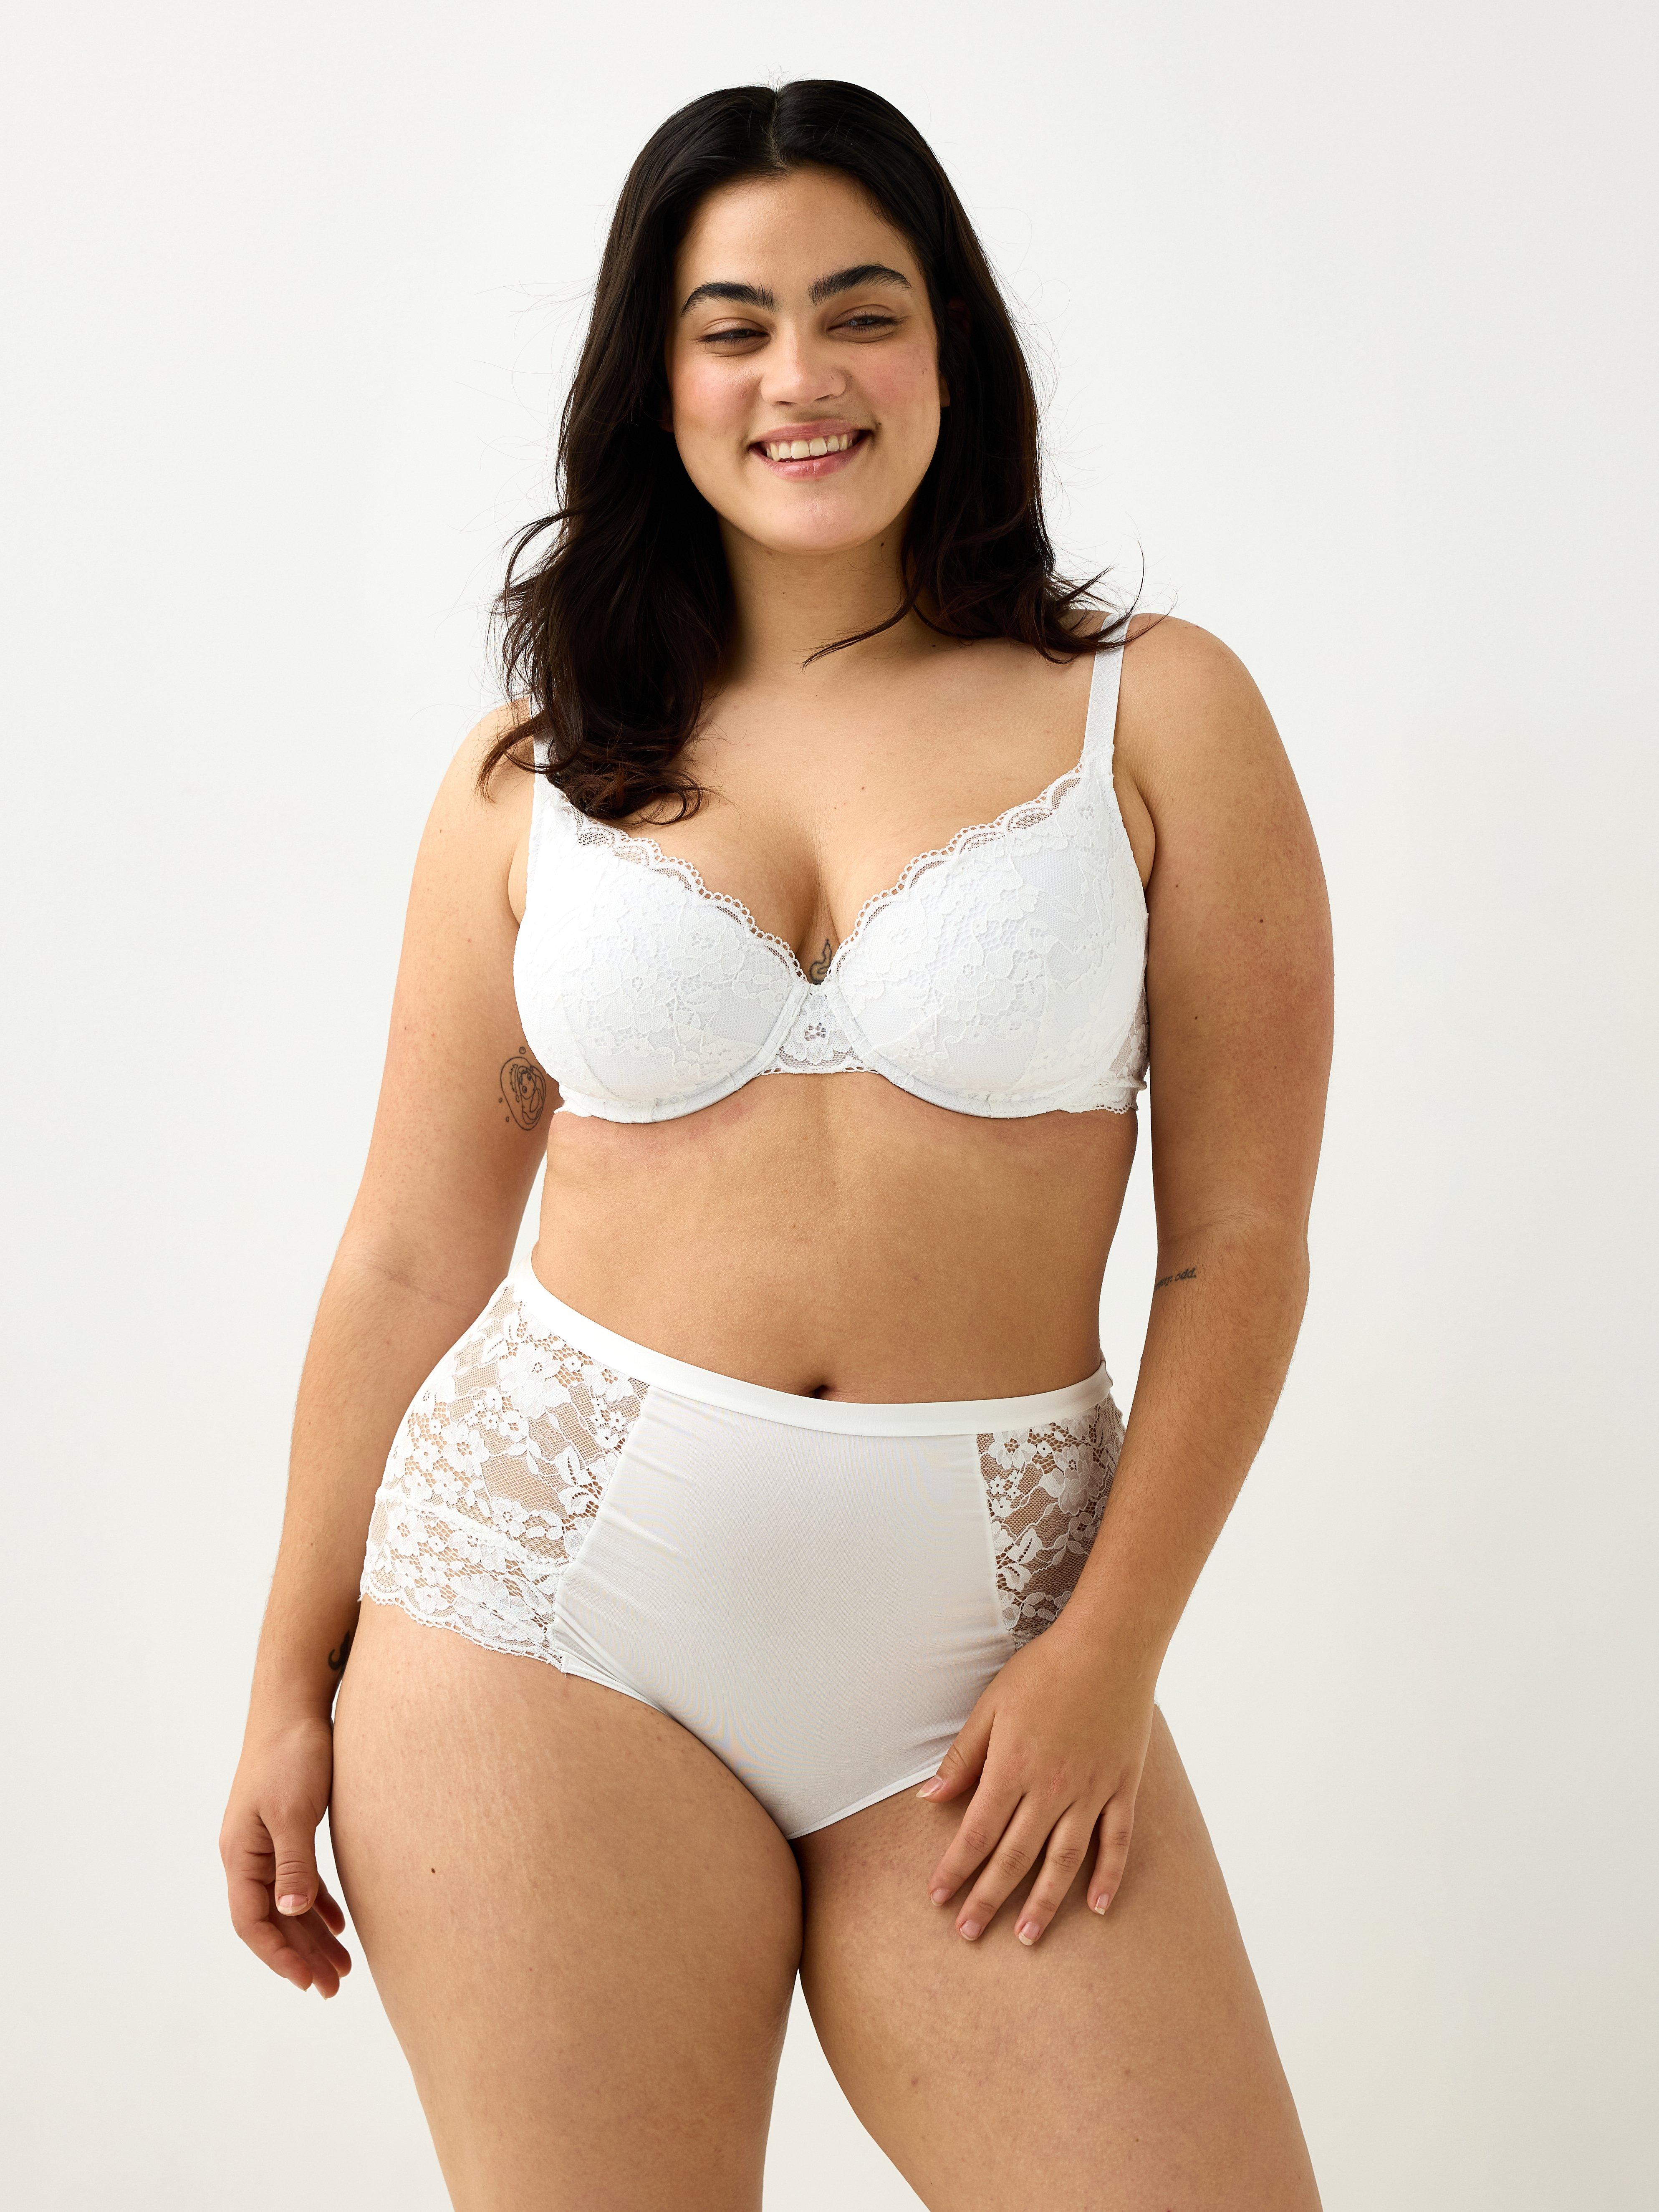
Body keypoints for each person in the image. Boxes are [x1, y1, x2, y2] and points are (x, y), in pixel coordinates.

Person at [221, 77, 1333, 2212]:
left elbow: (1241, 1243)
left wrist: (1106, 1658)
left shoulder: (1154, 711)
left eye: (860, 311)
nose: (798, 376)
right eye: (731, 326)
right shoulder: (534, 774)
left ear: (952, 347)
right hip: (536, 1616)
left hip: (992, 1648)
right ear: (657, 383)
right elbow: (404, 1253)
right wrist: (285, 1679)